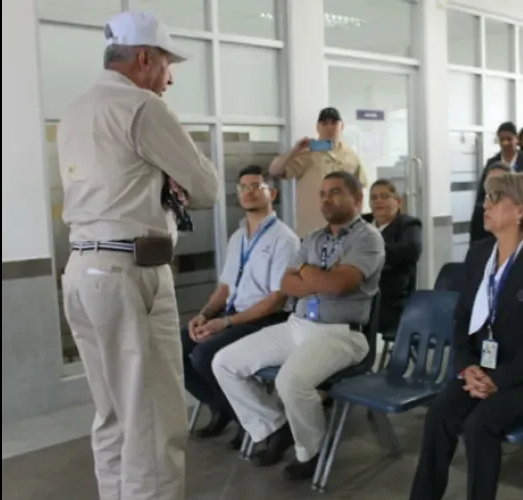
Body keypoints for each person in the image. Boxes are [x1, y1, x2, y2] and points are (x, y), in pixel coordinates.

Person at [57, 11, 219, 500]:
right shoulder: (141, 107)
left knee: (113, 416)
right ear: (145, 58)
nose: (169, 79)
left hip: (82, 271)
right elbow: (207, 187)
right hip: (130, 273)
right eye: (167, 65)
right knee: (152, 421)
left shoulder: (76, 110)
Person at [211, 171, 384, 481]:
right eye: (322, 193)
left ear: (357, 199)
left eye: (335, 192)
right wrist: (315, 276)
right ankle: (275, 426)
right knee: (224, 362)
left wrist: (305, 270)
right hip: (297, 325)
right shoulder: (315, 237)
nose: (326, 199)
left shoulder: (368, 238)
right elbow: (286, 284)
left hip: (341, 334)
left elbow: (336, 286)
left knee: (290, 382)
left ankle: (311, 452)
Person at [409, 172, 523, 500]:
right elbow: (462, 320)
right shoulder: (480, 253)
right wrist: (466, 366)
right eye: (486, 197)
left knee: (479, 424)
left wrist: (502, 379)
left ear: (521, 210)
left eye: (496, 198)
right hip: (483, 368)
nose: (486, 204)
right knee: (440, 413)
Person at [182, 165, 299, 444]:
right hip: (232, 314)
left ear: (271, 193)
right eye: (243, 187)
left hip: (267, 319)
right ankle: (226, 410)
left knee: (204, 355)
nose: (248, 192)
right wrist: (204, 314)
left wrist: (225, 323)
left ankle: (259, 424)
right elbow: (225, 287)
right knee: (177, 348)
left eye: (256, 186)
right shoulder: (238, 238)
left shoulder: (285, 239)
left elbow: (276, 299)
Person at [268, 107, 368, 235]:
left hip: (345, 231)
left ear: (342, 126)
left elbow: (360, 190)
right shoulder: (307, 154)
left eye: (334, 123)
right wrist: (295, 150)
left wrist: (357, 222)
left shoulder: (351, 155)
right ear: (317, 127)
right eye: (324, 123)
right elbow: (274, 171)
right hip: (312, 231)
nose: (329, 127)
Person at [361, 179, 423, 333]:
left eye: (384, 196)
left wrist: (368, 251)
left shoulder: (409, 224)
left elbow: (410, 251)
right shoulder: (361, 223)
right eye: (374, 198)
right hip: (359, 293)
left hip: (391, 299)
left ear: (398, 201)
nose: (378, 201)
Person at [470, 122, 523, 244]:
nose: (505, 143)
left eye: (509, 139)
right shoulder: (492, 163)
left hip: (519, 220)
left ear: (516, 139)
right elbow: (482, 194)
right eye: (502, 139)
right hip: (496, 221)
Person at [469, 162, 515, 244]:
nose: (492, 185)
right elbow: (475, 247)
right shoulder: (480, 212)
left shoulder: (516, 210)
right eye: (489, 181)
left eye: (498, 182)